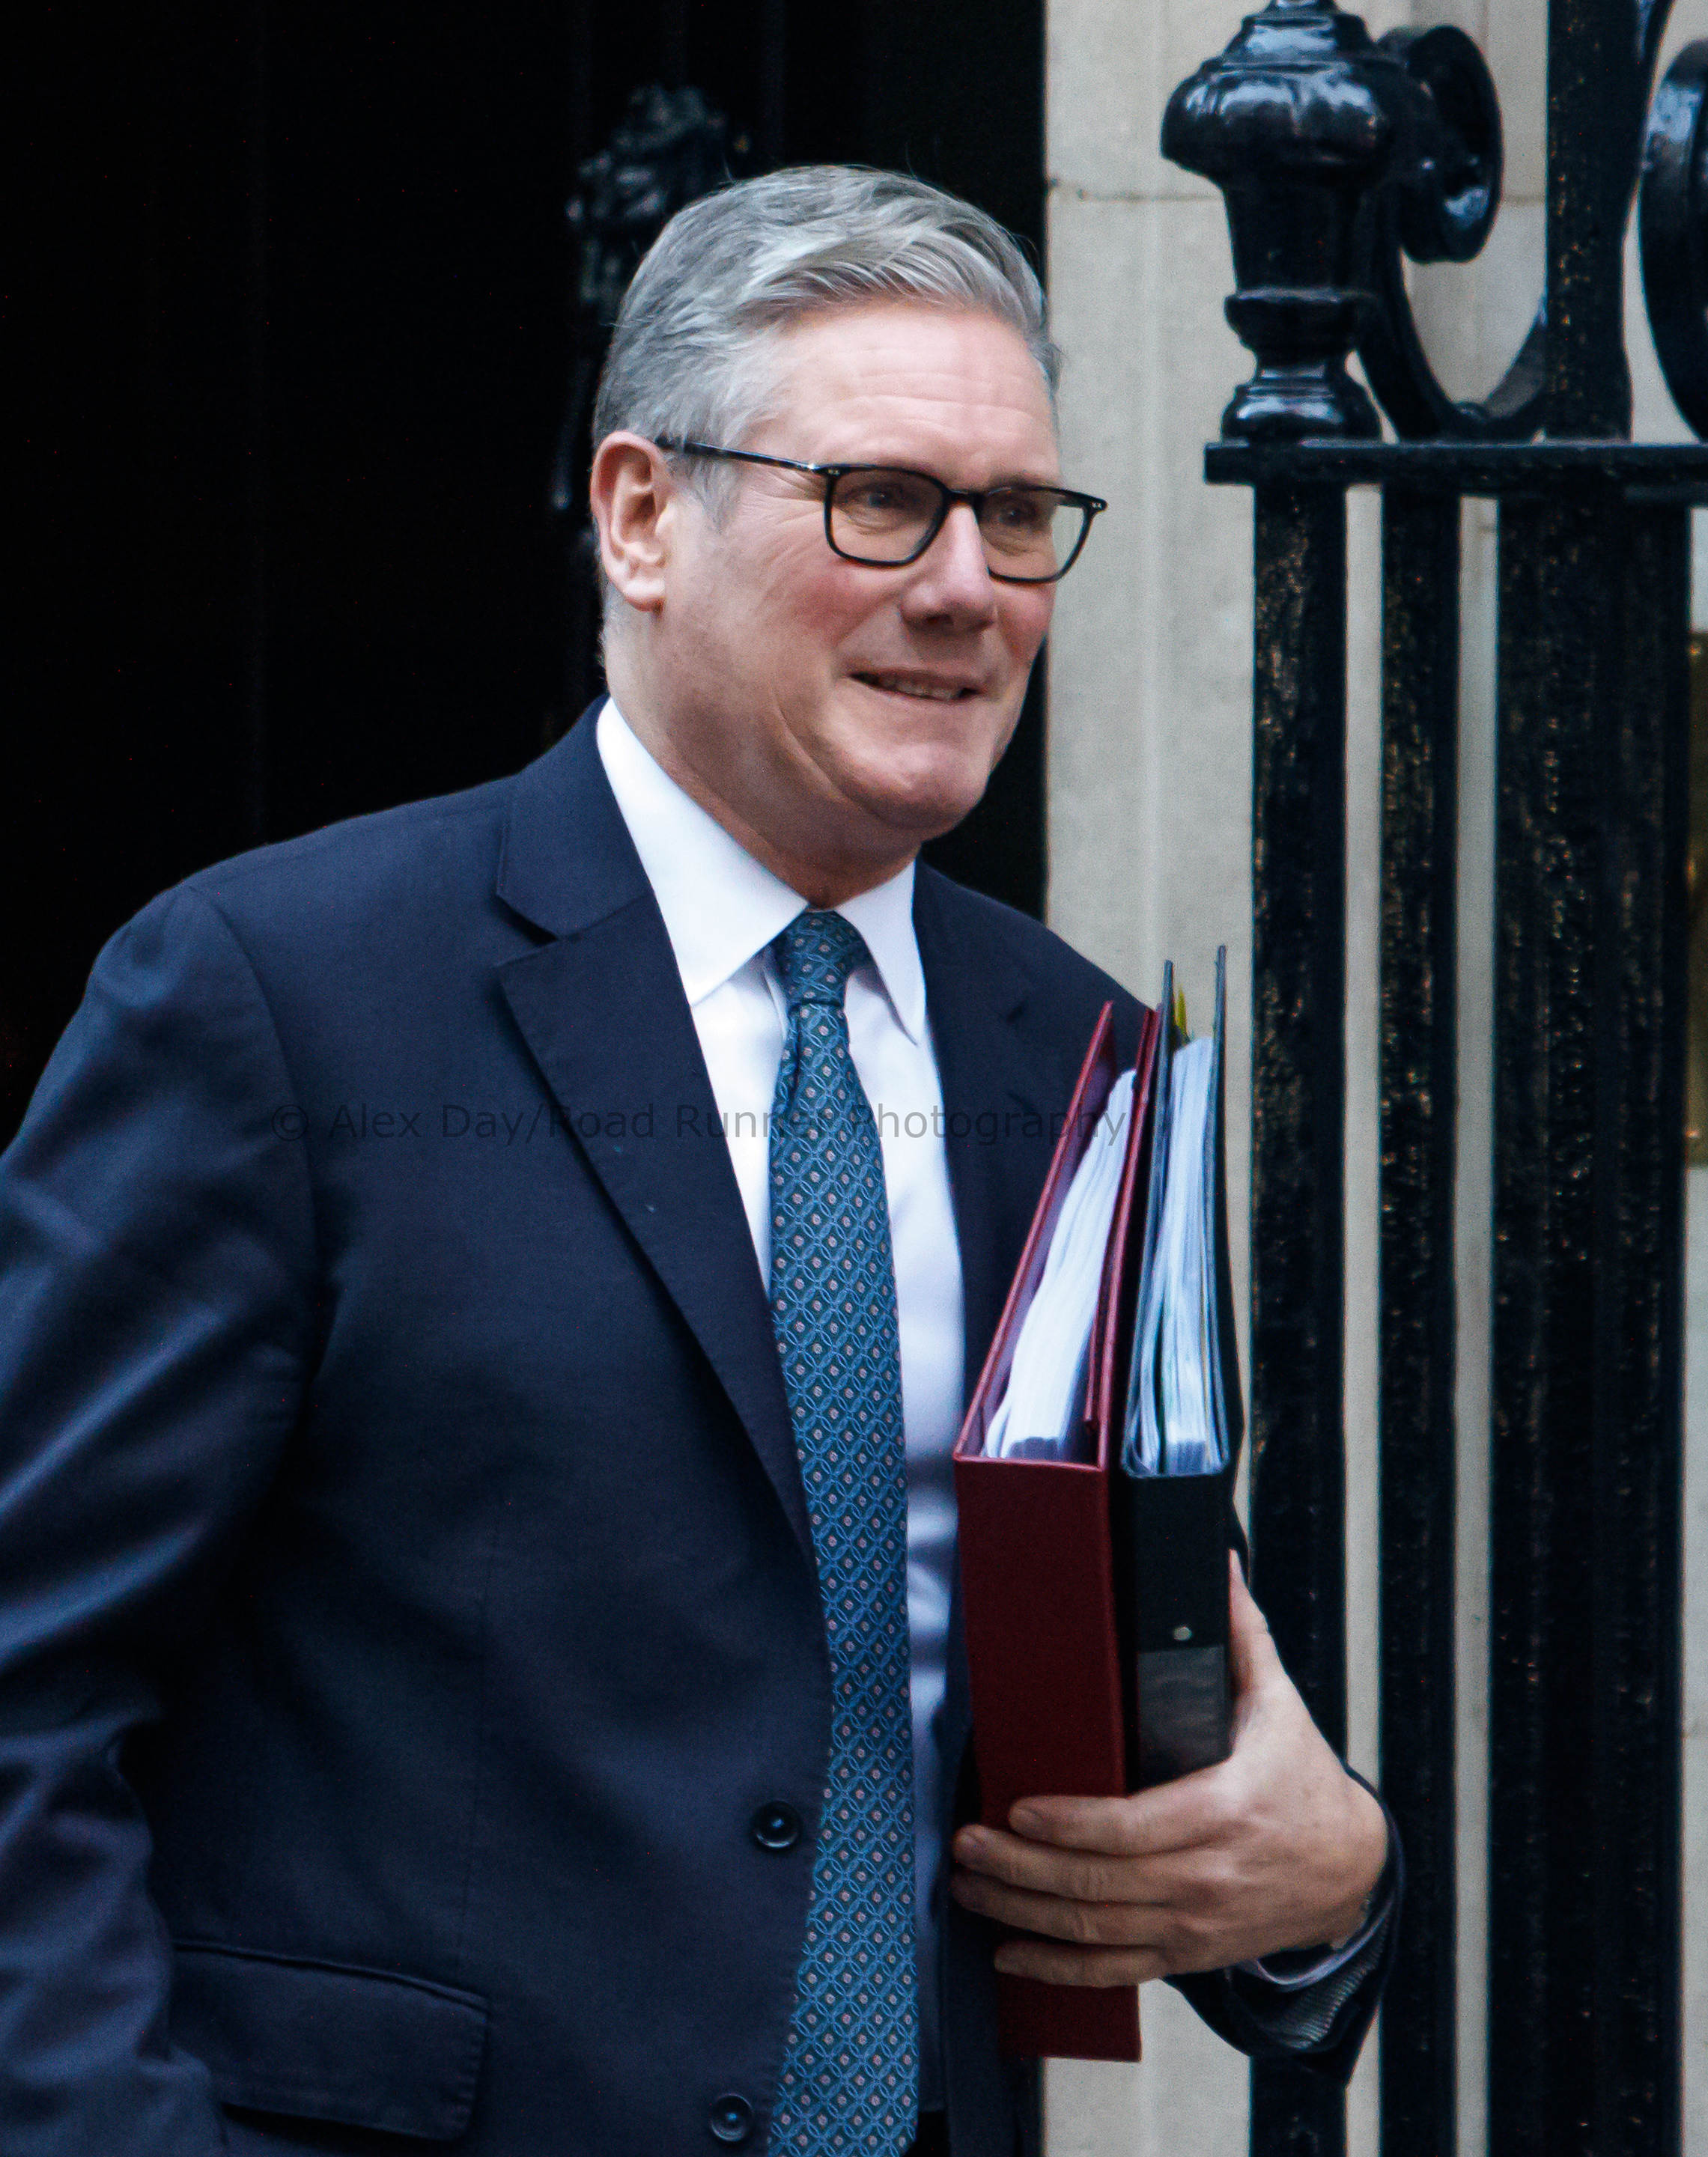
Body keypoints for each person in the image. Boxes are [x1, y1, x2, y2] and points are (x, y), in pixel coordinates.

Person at [0, 166, 1392, 2156]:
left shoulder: (1082, 1056)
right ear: (642, 515)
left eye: (1018, 519)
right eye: (883, 499)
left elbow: (1144, 1714)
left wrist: (1324, 1879)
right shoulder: (277, 998)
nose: (967, 587)